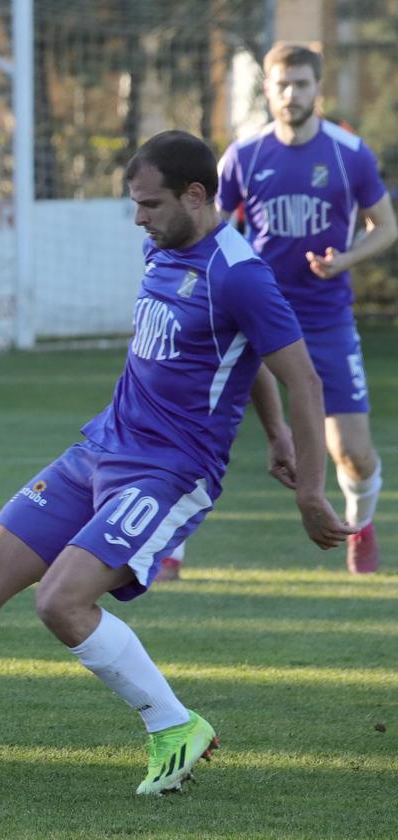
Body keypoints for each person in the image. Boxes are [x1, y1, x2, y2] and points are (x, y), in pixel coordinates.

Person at [0, 131, 354, 795]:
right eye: (135, 204)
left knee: (62, 602)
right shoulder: (161, 247)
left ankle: (174, 726)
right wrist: (273, 431)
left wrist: (309, 487)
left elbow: (299, 376)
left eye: (151, 204)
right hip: (102, 446)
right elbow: (239, 357)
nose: (139, 218)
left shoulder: (240, 274)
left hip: (169, 470)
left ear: (196, 195)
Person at [163, 43, 397, 580]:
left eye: (302, 84)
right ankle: (168, 551)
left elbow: (386, 227)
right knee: (202, 432)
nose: (291, 95)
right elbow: (211, 229)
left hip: (327, 319)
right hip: (256, 321)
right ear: (266, 89)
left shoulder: (349, 154)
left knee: (352, 453)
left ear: (318, 88)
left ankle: (360, 526)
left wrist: (348, 261)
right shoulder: (244, 155)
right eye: (282, 85)